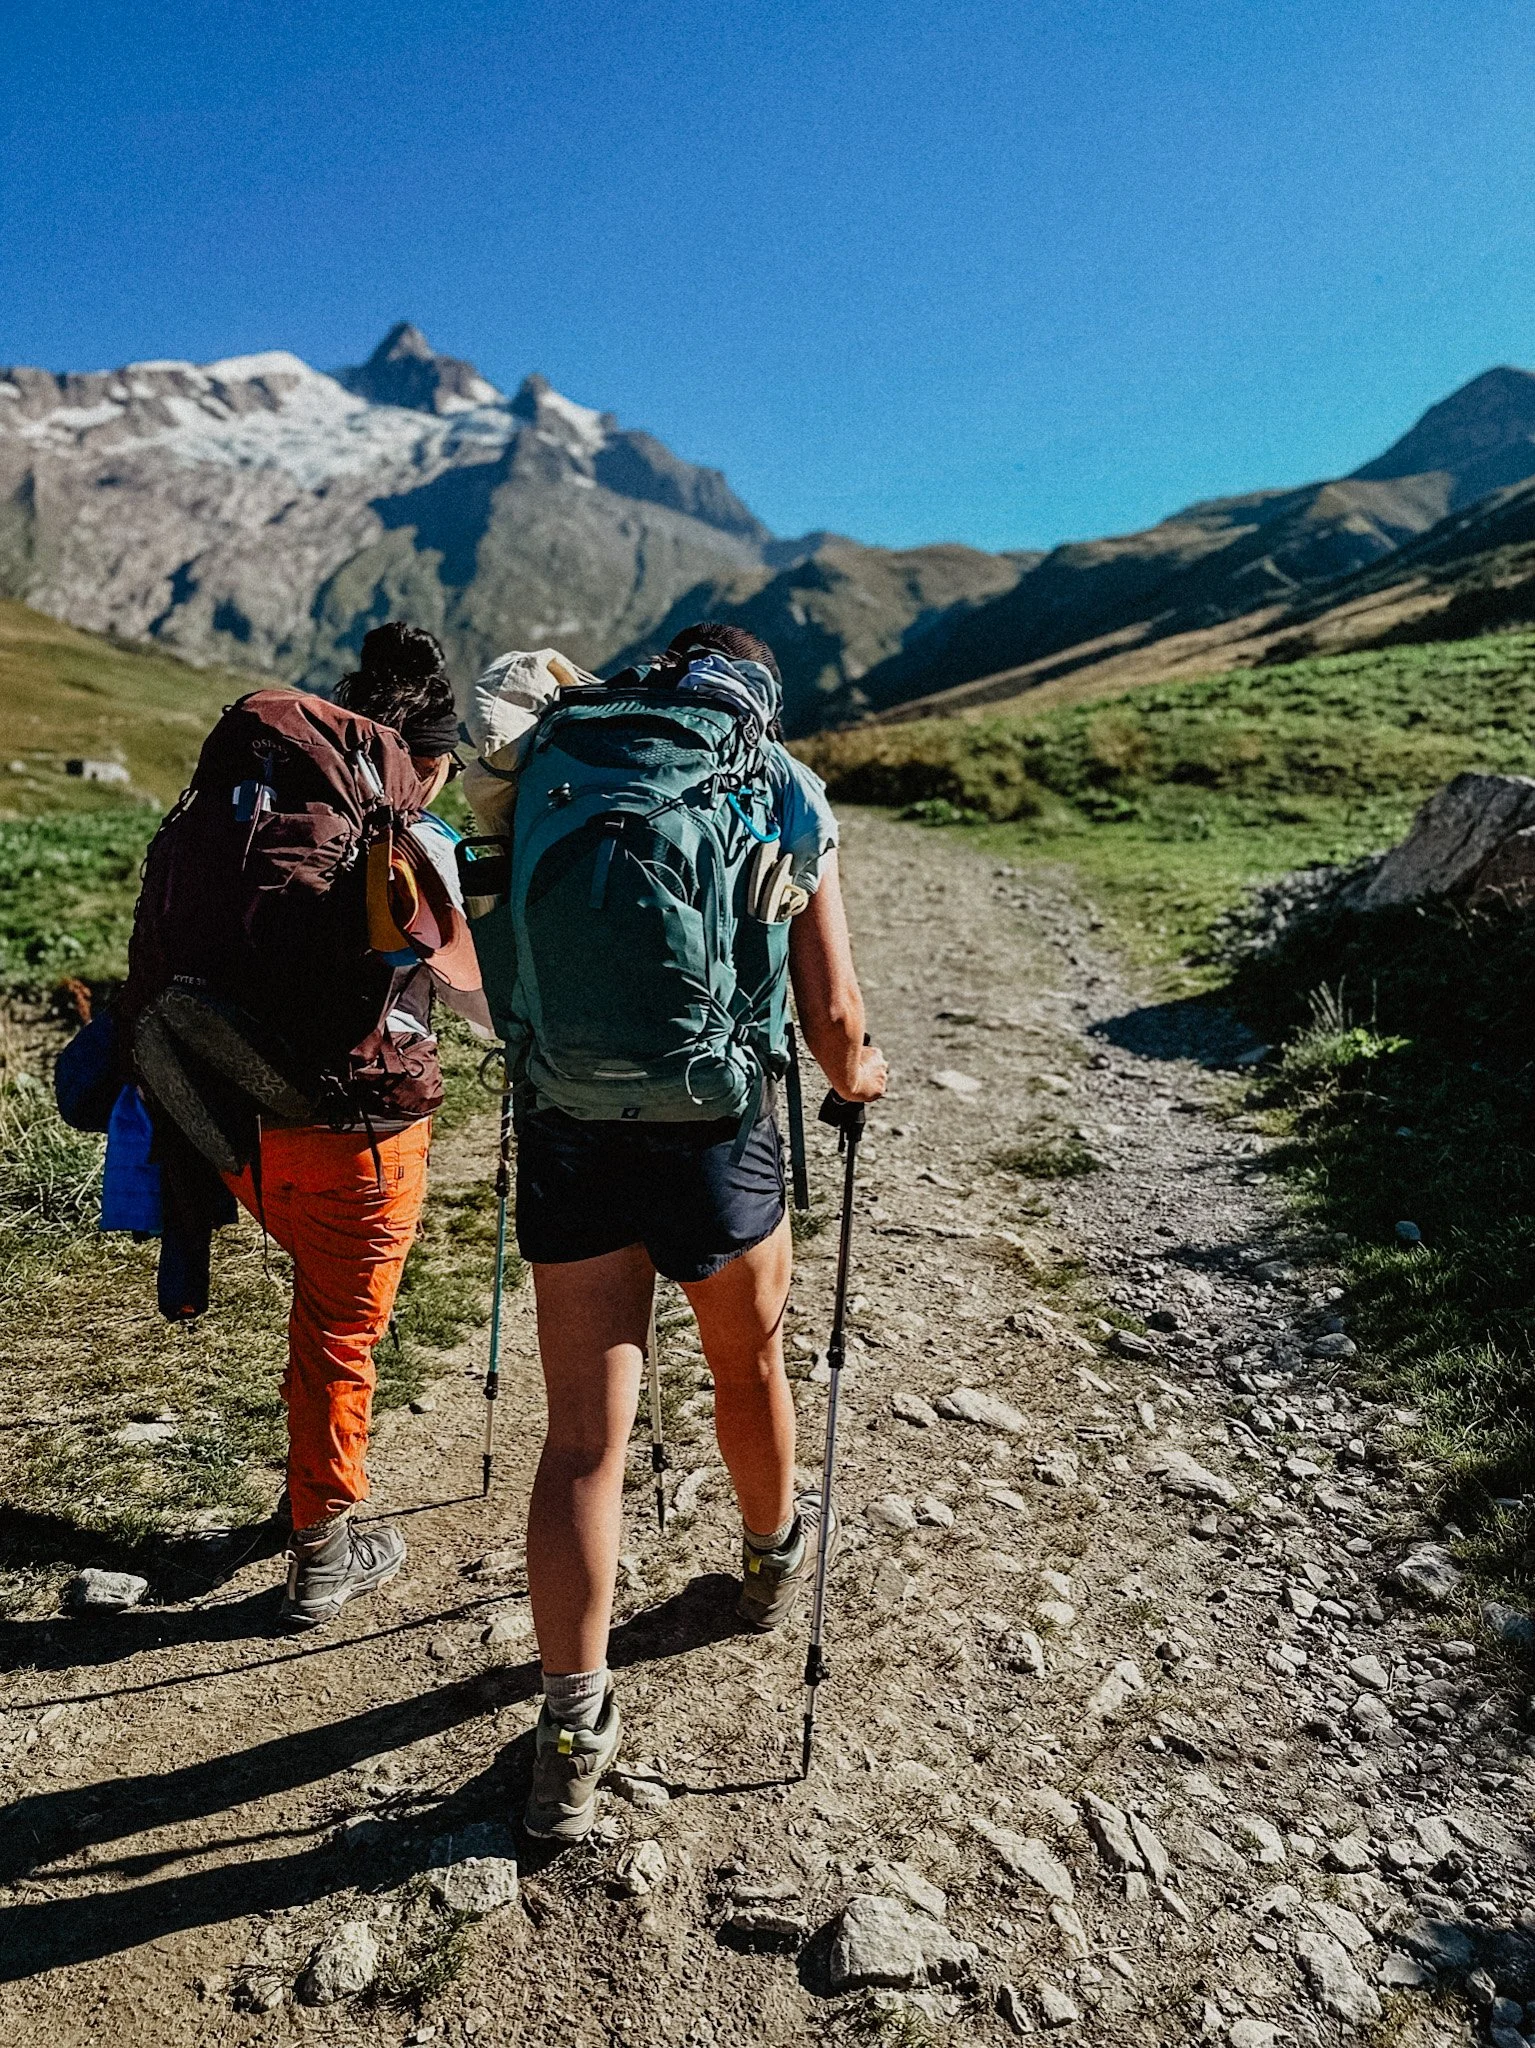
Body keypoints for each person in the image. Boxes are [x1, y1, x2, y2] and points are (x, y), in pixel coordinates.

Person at [505, 622, 888, 1841]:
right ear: (758, 688)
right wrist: (859, 1073)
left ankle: (571, 1727)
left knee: (580, 1440)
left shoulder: (555, 751)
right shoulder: (773, 775)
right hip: (716, 1131)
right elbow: (829, 1013)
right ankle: (770, 1560)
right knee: (748, 1361)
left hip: (567, 1118)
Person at [219, 622, 466, 1629]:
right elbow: (483, 1000)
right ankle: (323, 1546)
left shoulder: (262, 810)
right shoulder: (419, 839)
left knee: (319, 1313)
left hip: (232, 1115)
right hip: (357, 1137)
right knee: (340, 1331)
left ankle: (306, 1487)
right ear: (434, 757)